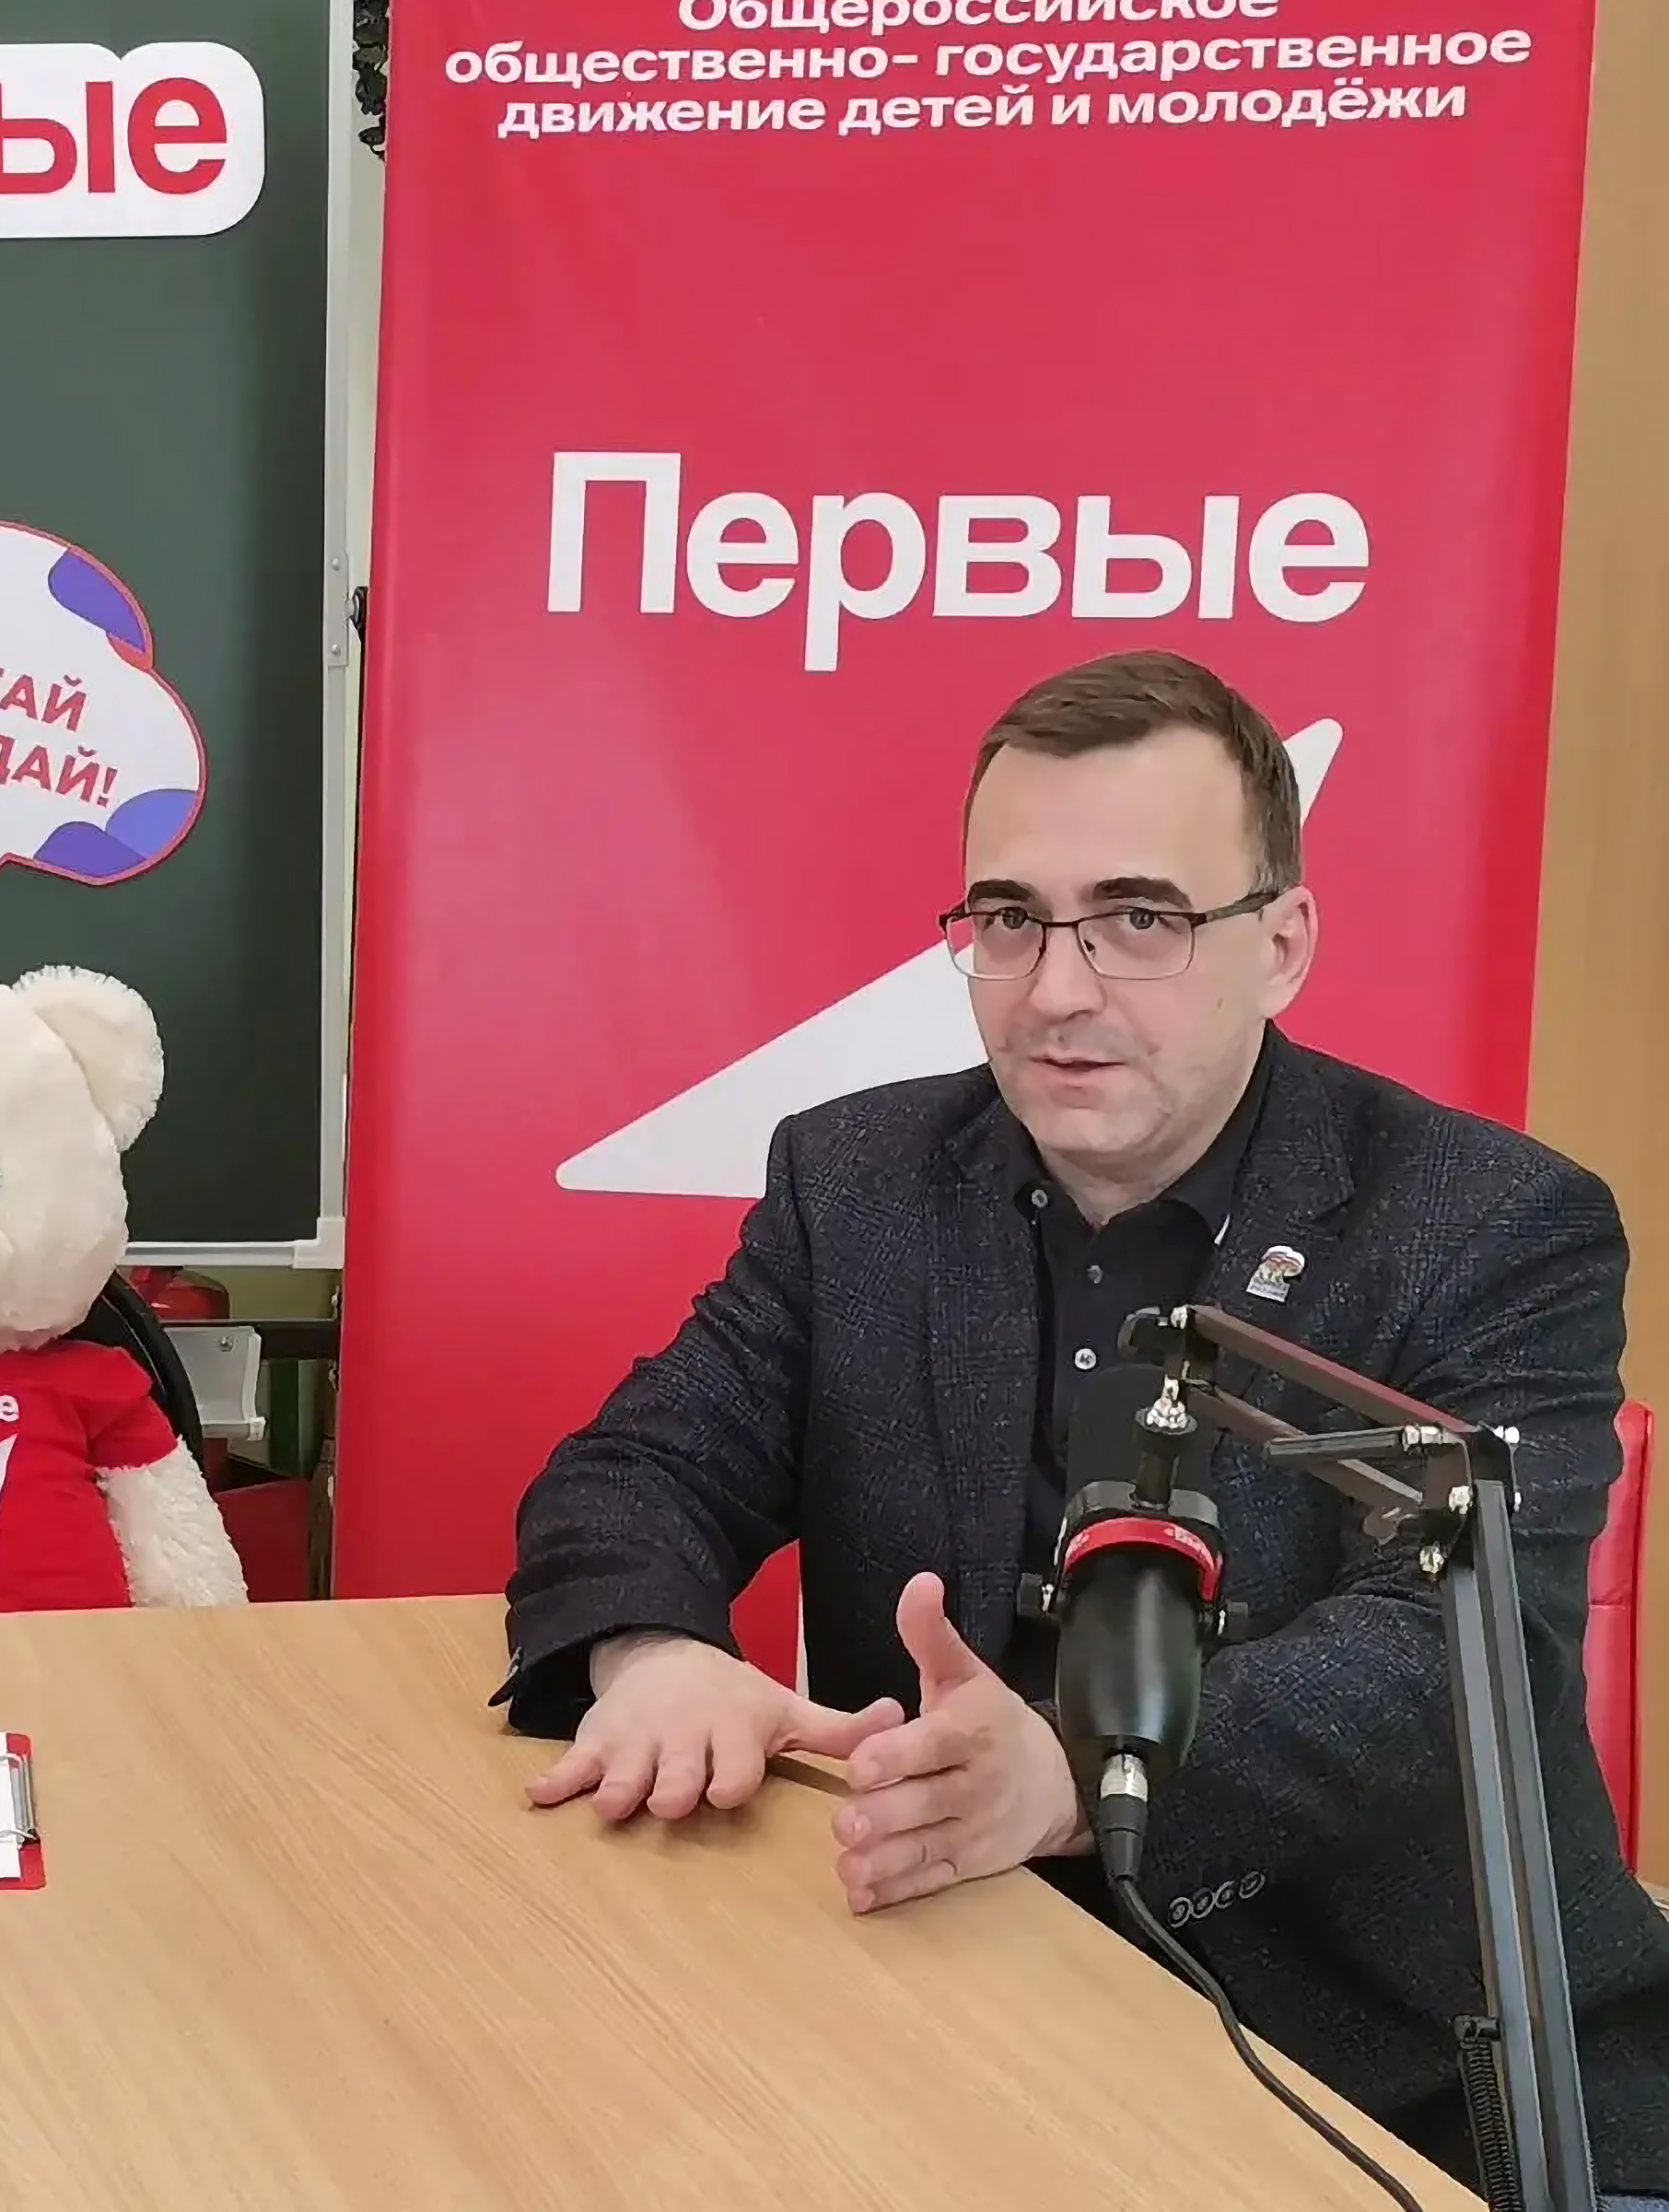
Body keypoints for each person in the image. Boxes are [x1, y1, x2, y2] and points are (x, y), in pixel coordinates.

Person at [499, 649, 1669, 2200]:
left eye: (1141, 920)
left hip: (1382, 2072)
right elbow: (643, 1465)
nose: (1057, 990)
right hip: (941, 2010)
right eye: (1009, 919)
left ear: (1282, 945)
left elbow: (1453, 1649)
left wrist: (1070, 1772)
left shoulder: (1493, 1223)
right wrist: (658, 1656)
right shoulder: (857, 1182)